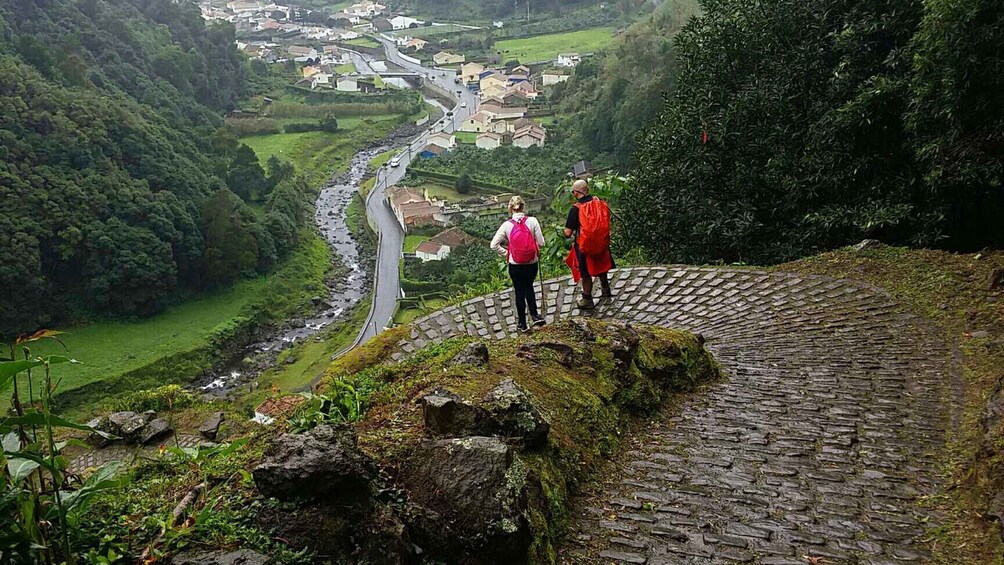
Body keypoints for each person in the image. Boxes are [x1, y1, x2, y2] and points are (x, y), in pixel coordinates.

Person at [491, 195, 546, 332]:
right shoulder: (533, 221)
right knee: (529, 287)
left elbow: (493, 245)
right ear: (523, 206)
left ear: (510, 209)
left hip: (515, 264)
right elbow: (541, 243)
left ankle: (522, 323)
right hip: (531, 262)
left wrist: (507, 253)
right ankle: (535, 315)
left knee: (519, 291)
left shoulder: (506, 225)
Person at [564, 179, 614, 309]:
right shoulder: (599, 202)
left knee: (585, 273)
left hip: (584, 245)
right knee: (600, 264)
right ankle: (605, 288)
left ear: (575, 193)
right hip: (601, 241)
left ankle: (587, 299)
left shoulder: (576, 209)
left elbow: (568, 233)